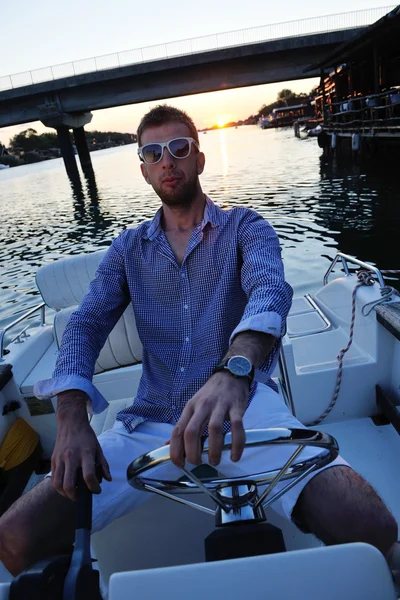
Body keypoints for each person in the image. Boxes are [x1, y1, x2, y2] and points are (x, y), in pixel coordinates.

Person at [0, 105, 398, 579]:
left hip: (245, 408)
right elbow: (86, 324)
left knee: (374, 529)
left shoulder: (246, 228)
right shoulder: (128, 249)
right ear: (145, 168)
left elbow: (269, 290)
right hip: (151, 422)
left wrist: (235, 372)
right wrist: (69, 416)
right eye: (153, 152)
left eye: (179, 148)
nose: (167, 161)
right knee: (15, 538)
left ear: (199, 159)